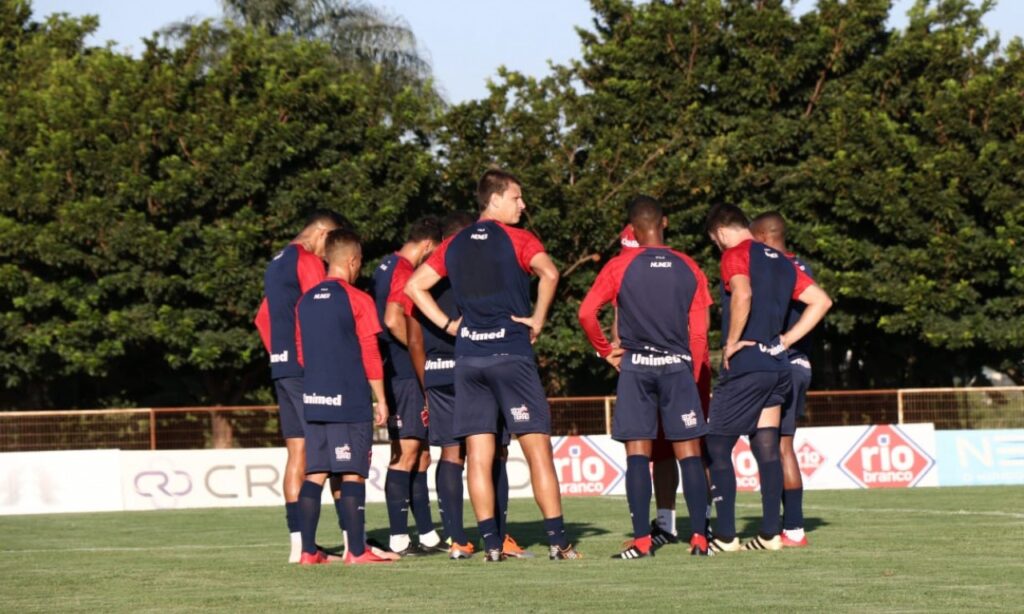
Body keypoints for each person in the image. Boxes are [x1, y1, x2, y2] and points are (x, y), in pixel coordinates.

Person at [405, 169, 582, 562]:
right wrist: (537, 319)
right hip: (510, 355)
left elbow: (414, 286)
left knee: (479, 457)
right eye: (517, 198)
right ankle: (558, 542)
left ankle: (490, 546)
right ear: (495, 200)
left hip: (468, 358)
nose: (523, 205)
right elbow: (549, 273)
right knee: (538, 450)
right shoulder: (518, 238)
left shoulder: (453, 244)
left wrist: (449, 324)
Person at [579, 196, 714, 558]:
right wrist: (693, 374)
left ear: (632, 230)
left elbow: (586, 312)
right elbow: (700, 334)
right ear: (664, 222)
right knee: (689, 452)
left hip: (636, 367)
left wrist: (606, 350)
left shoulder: (619, 266)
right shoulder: (689, 266)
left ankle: (641, 541)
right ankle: (699, 539)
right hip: (677, 368)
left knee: (637, 454)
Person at [703, 204, 831, 552]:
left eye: (715, 240)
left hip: (748, 364)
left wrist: (730, 343)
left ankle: (726, 537)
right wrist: (786, 341)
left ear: (720, 232)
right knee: (766, 445)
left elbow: (742, 293)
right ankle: (771, 534)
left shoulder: (736, 253)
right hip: (778, 366)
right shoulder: (785, 262)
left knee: (716, 444)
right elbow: (821, 301)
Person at [405, 211, 532, 560]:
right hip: (477, 366)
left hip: (438, 372)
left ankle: (458, 540)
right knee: (493, 452)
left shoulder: (427, 274)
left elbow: (413, 335)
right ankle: (499, 536)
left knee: (451, 453)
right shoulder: (476, 269)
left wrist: (426, 382)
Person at [254, 209, 348, 563]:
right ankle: (341, 542)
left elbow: (262, 317)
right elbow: (320, 310)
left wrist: (280, 355)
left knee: (298, 453)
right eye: (333, 244)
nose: (332, 255)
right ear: (322, 234)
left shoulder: (275, 262)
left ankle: (299, 545)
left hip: (281, 367)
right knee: (328, 451)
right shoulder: (306, 260)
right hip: (309, 369)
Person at [293, 228, 392, 565]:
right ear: (352, 261)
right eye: (360, 262)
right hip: (348, 400)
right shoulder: (358, 299)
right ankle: (357, 550)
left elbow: (302, 355)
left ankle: (308, 551)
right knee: (352, 472)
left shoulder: (304, 301)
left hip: (314, 398)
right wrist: (380, 398)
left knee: (315, 472)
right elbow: (370, 353)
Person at [618, 224, 713, 547]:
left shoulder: (667, 269)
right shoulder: (646, 271)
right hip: (669, 369)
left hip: (681, 369)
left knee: (690, 449)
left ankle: (704, 523)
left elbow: (699, 331)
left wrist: (694, 373)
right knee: (660, 452)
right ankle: (668, 524)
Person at [370, 216, 445, 556]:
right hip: (404, 374)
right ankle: (399, 538)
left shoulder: (384, 265)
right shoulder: (402, 269)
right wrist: (418, 349)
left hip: (399, 373)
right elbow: (390, 319)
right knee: (407, 455)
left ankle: (427, 535)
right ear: (428, 246)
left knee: (423, 456)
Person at [751, 211, 817, 547]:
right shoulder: (802, 265)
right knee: (780, 445)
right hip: (800, 364)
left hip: (782, 363)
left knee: (776, 447)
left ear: (762, 237)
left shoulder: (774, 267)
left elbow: (818, 304)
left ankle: (790, 528)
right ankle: (787, 527)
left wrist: (785, 340)